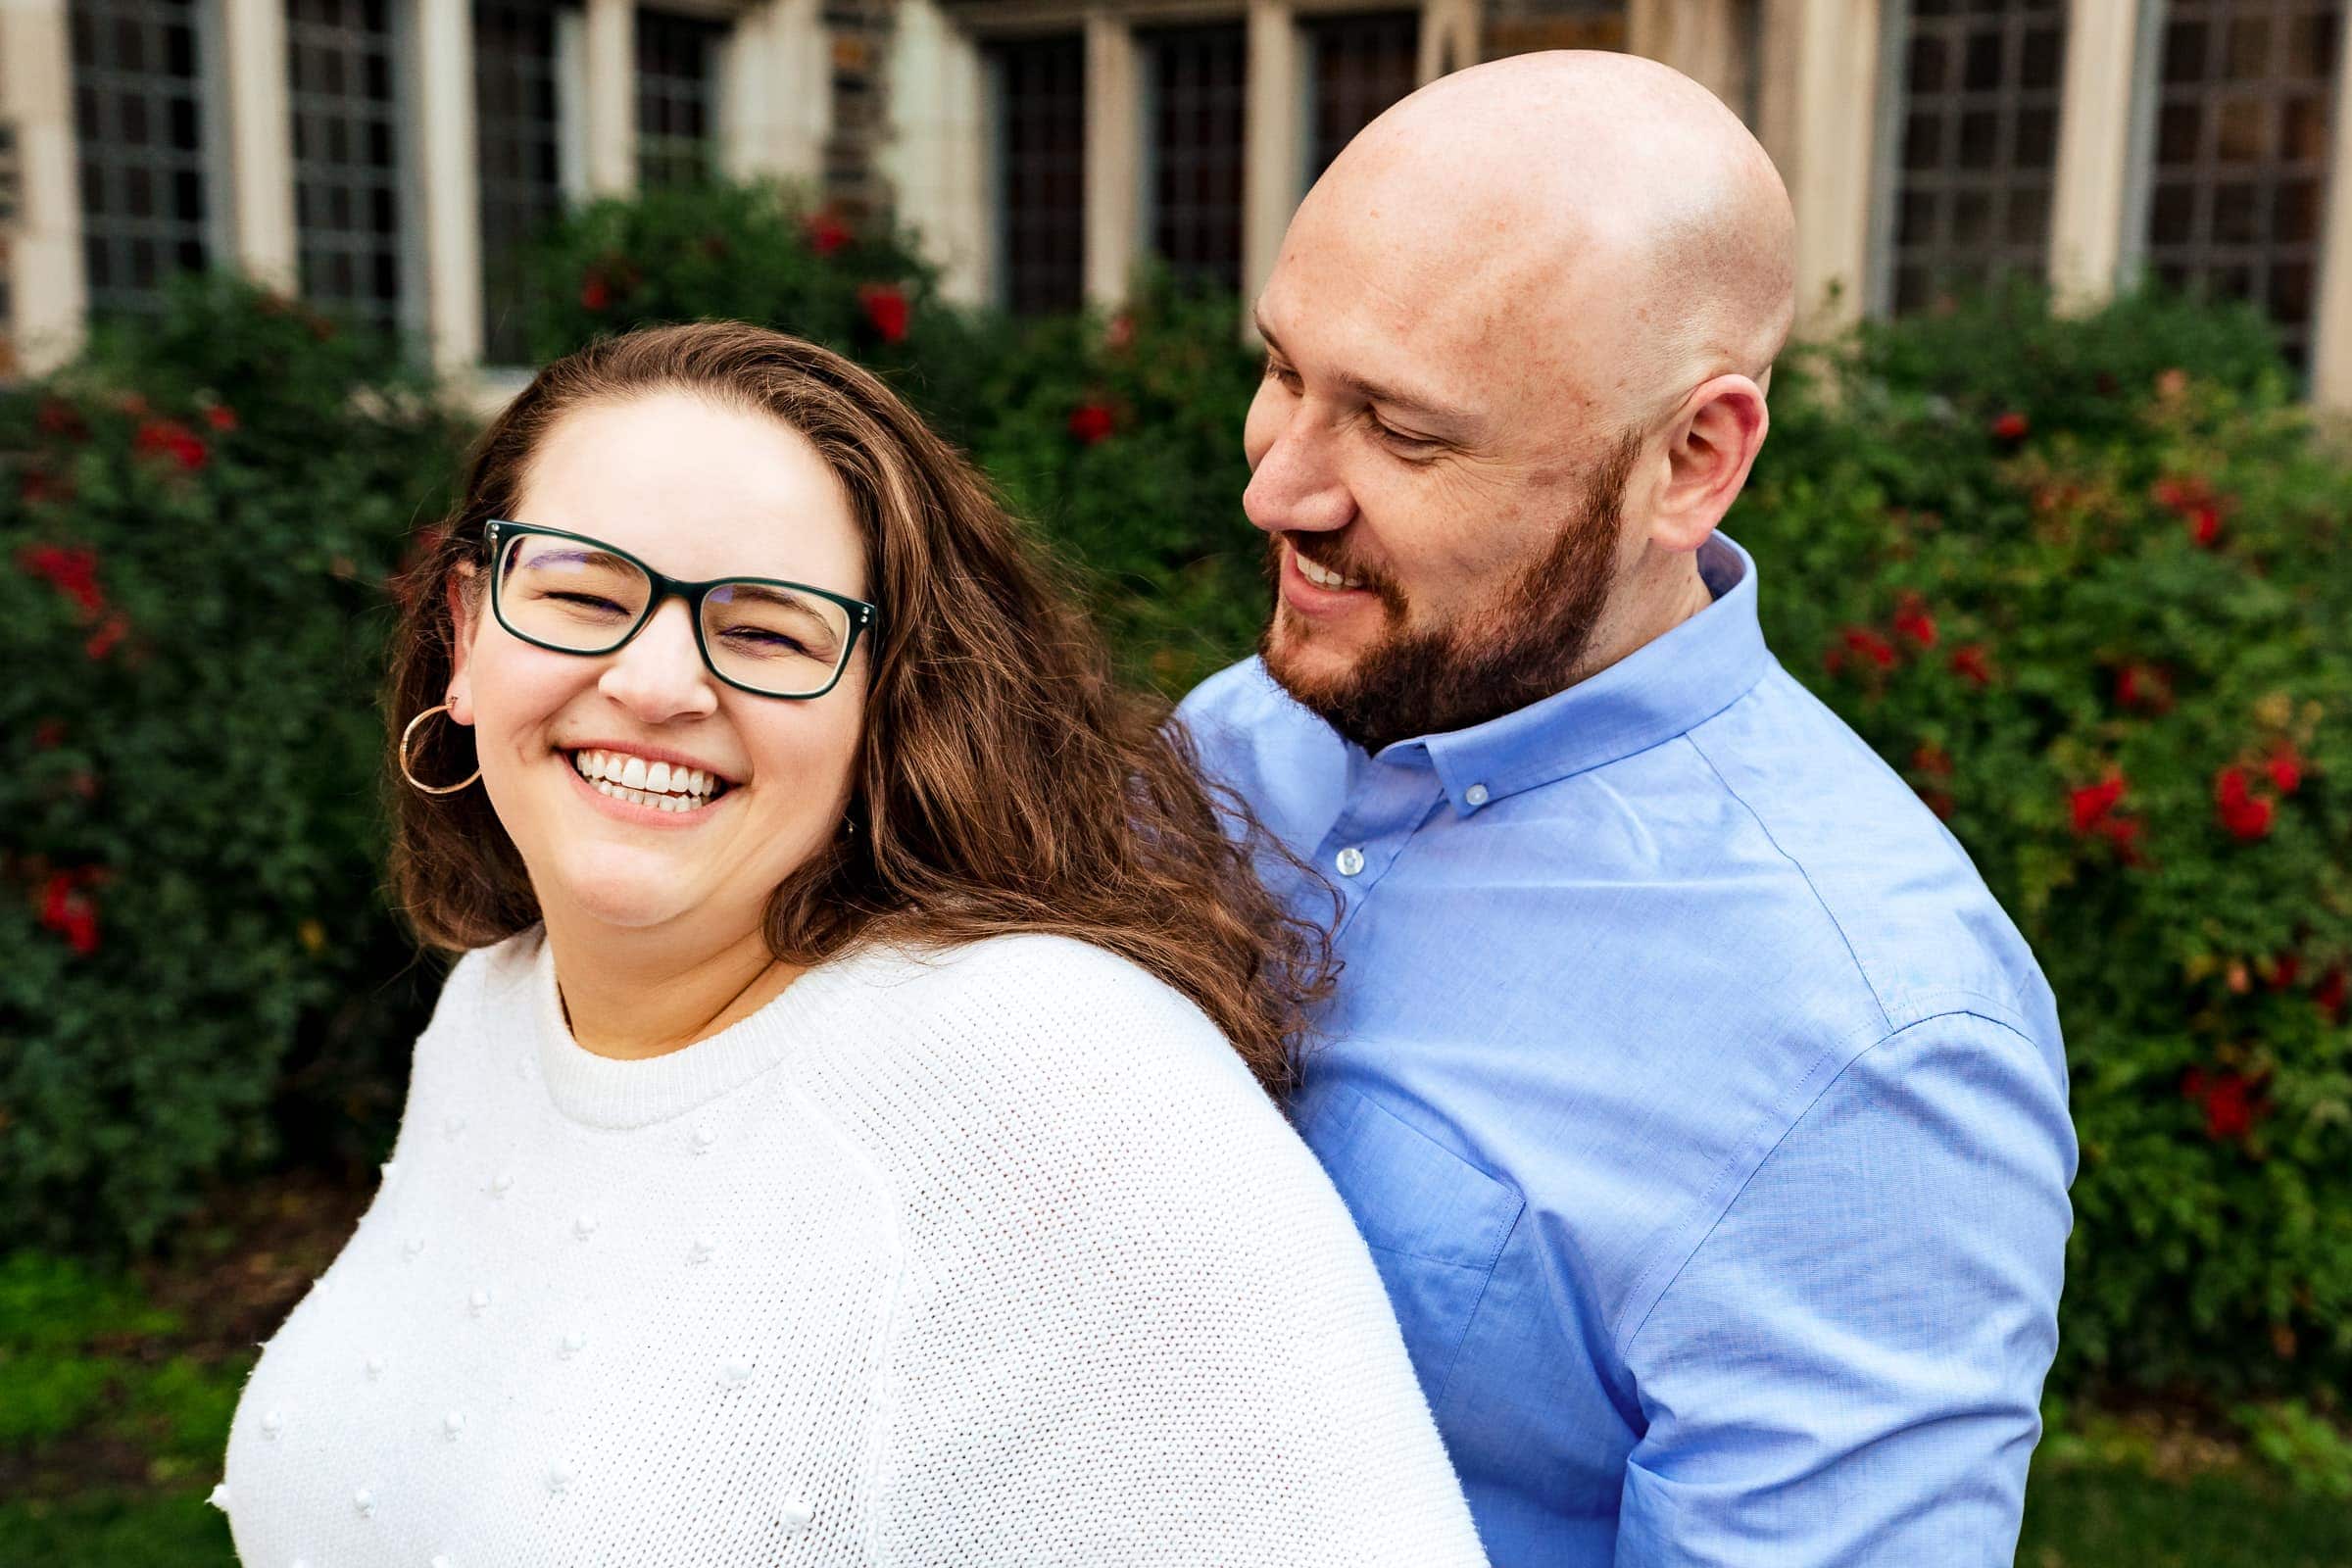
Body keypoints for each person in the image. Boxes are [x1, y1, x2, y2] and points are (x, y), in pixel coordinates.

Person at [216, 321, 1488, 1566]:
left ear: (886, 705)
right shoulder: (496, 1005)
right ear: (465, 634)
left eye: (766, 632)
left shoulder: (1048, 1075)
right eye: (583, 595)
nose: (655, 684)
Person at [1176, 50, 2077, 1566]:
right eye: (1282, 373)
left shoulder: (1872, 1049)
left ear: (1691, 462)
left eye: (1403, 431)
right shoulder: (1239, 734)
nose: (1279, 489)